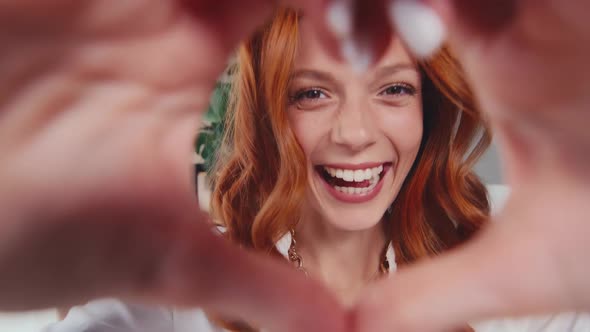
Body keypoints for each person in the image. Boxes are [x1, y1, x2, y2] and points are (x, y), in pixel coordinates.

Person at [0, 1, 589, 332]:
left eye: (394, 91)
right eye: (311, 94)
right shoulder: (169, 297)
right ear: (268, 114)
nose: (356, 134)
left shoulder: (527, 286)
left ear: (428, 111)